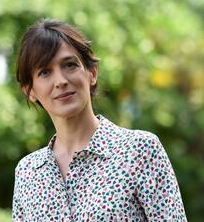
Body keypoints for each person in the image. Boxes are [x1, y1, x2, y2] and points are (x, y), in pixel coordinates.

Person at [12, 18, 187, 221]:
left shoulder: (140, 151)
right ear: (30, 90)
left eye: (69, 65)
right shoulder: (27, 173)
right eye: (45, 72)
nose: (60, 81)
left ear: (92, 73)